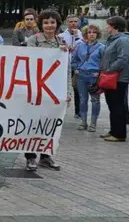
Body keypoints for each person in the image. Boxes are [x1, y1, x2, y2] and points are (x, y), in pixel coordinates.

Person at [24, 10, 64, 171]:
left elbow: (66, 70)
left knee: (50, 123)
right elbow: (31, 62)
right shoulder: (33, 41)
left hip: (54, 90)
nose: (49, 25)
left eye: (52, 22)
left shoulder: (61, 42)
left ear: (57, 24)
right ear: (41, 24)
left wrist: (67, 91)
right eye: (46, 22)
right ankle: (30, 157)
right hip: (36, 88)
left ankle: (45, 156)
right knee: (33, 123)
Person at [98, 16, 129, 143]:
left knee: (117, 105)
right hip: (111, 77)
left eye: (108, 24)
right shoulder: (112, 39)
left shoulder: (123, 40)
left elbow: (123, 58)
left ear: (114, 26)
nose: (106, 27)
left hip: (118, 78)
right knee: (112, 105)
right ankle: (113, 130)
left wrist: (109, 69)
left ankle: (119, 134)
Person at [71, 24, 105, 132]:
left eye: (94, 32)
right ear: (86, 34)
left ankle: (93, 124)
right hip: (81, 75)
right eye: (89, 32)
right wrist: (76, 68)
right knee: (82, 100)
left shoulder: (101, 47)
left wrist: (99, 73)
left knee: (95, 100)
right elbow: (74, 60)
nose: (91, 34)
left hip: (94, 76)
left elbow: (105, 62)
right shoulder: (80, 46)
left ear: (97, 34)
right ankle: (83, 122)